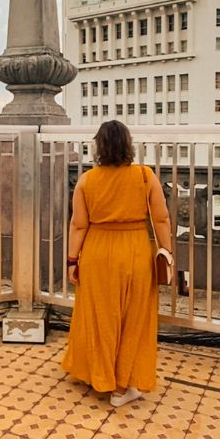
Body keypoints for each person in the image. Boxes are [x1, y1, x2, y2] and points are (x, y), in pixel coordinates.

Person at [61, 120, 173, 407]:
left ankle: (100, 376)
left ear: (99, 147)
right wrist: (167, 252)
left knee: (101, 318)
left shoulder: (87, 180)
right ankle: (122, 388)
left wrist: (73, 261)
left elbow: (78, 225)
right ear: (128, 144)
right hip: (135, 250)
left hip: (97, 251)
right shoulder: (145, 176)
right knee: (134, 319)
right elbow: (161, 219)